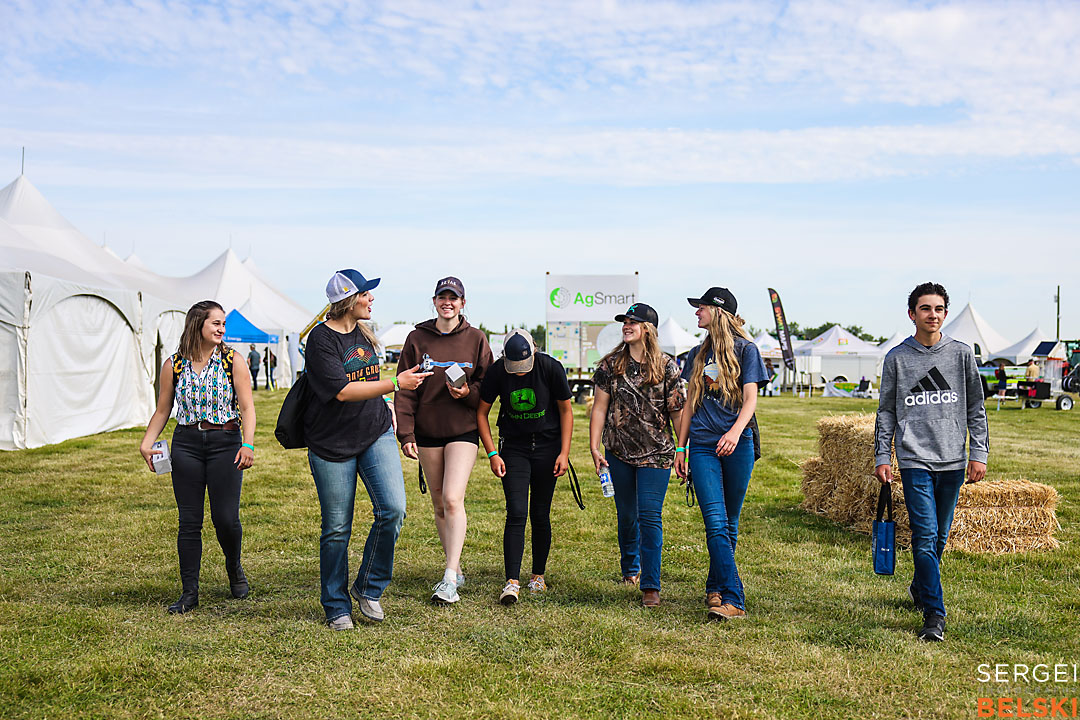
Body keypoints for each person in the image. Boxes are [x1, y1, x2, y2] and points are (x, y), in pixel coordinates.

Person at [303, 269, 432, 630]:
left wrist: (389, 402)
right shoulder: (320, 341)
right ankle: (335, 605)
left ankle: (367, 587)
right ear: (349, 299)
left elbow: (368, 383)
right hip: (332, 443)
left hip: (375, 432)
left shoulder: (365, 333)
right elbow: (342, 391)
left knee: (393, 509)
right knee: (336, 529)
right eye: (366, 294)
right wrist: (396, 382)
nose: (371, 299)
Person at [874, 281, 988, 642]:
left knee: (939, 538)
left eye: (938, 309)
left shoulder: (961, 354)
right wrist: (882, 454)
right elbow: (886, 411)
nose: (932, 315)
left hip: (953, 459)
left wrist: (979, 452)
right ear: (912, 314)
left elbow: (975, 407)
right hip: (914, 459)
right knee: (924, 536)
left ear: (945, 314)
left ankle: (921, 584)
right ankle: (934, 615)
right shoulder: (897, 358)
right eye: (925, 308)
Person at [139, 300, 256, 614]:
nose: (221, 329)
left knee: (225, 519)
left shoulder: (234, 360)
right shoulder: (174, 365)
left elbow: (247, 408)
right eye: (215, 323)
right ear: (197, 325)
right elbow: (163, 409)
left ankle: (234, 567)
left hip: (226, 442)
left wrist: (249, 444)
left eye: (223, 324)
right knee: (189, 522)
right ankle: (189, 593)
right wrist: (146, 443)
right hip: (186, 443)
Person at [394, 276, 493, 605]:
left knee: (452, 498)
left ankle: (449, 578)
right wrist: (405, 432)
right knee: (438, 504)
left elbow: (487, 387)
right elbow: (405, 388)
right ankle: (457, 565)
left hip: (463, 429)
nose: (447, 302)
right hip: (427, 430)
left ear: (463, 303)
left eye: (454, 297)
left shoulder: (477, 339)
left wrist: (467, 393)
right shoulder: (416, 338)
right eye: (442, 297)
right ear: (434, 301)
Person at [673, 287, 768, 622]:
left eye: (701, 308)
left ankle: (716, 587)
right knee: (715, 522)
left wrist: (734, 432)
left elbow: (751, 400)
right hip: (701, 445)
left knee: (729, 522)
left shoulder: (747, 350)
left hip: (737, 442)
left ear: (717, 310)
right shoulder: (699, 353)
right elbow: (689, 404)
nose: (696, 313)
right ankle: (734, 598)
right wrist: (680, 447)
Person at [589, 303, 684, 607]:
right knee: (627, 515)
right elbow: (600, 407)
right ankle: (630, 566)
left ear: (648, 329)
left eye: (633, 322)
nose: (626, 326)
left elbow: (678, 412)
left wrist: (683, 448)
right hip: (617, 451)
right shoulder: (610, 365)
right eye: (625, 322)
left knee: (649, 515)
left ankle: (650, 586)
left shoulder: (667, 366)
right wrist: (594, 446)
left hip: (657, 454)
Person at [477, 329, 573, 606]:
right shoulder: (497, 372)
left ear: (533, 352)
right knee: (516, 512)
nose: (519, 372)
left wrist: (564, 452)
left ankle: (537, 575)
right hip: (514, 448)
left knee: (540, 514)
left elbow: (566, 411)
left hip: (547, 447)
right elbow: (481, 413)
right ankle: (512, 581)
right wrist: (493, 453)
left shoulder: (550, 368)